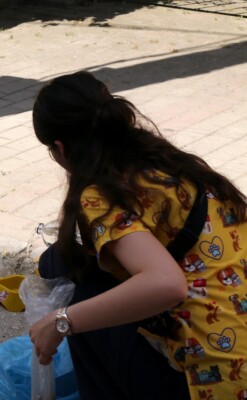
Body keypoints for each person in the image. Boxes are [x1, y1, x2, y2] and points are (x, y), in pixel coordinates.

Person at [28, 70, 247, 400]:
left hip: (215, 384)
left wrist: (61, 321)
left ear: (60, 149)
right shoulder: (170, 163)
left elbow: (167, 284)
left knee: (60, 265)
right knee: (69, 260)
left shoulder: (100, 195)